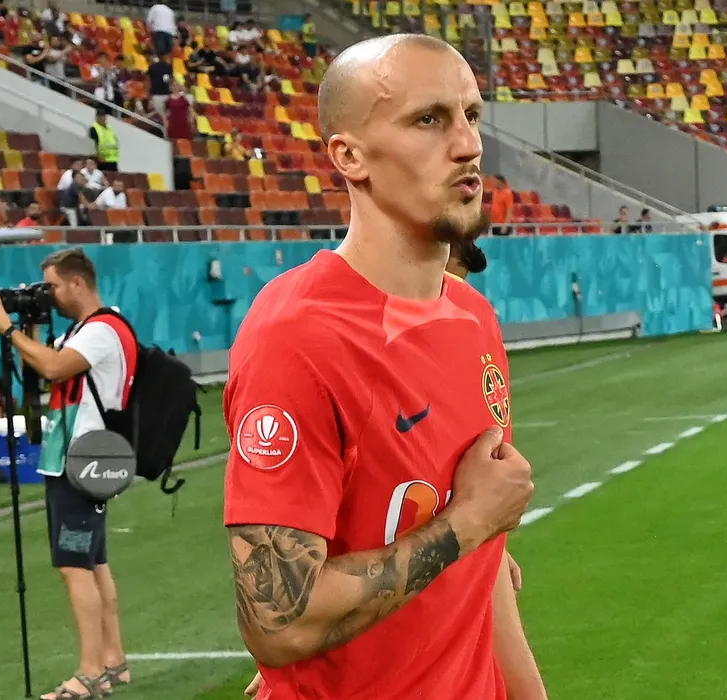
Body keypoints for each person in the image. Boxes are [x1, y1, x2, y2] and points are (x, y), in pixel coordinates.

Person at [224, 34, 545, 700]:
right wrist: (469, 522)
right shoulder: (298, 337)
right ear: (350, 156)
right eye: (429, 120)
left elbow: (483, 566)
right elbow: (279, 622)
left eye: (471, 116)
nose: (468, 145)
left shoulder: (473, 318)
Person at [0, 248, 137, 700]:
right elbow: (46, 372)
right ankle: (113, 661)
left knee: (74, 567)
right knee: (94, 563)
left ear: (77, 283)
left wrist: (7, 329)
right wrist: (28, 329)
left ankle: (89, 673)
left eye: (52, 286)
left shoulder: (101, 330)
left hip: (81, 460)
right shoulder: (88, 329)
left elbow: (53, 366)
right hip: (83, 457)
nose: (48, 295)